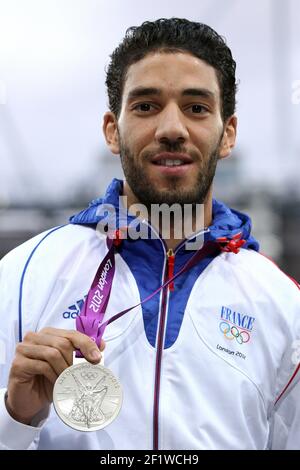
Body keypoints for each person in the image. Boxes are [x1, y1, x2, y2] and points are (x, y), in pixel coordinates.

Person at [0, 17, 299, 451]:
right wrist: (16, 418)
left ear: (227, 134)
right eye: (146, 106)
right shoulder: (22, 276)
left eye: (196, 107)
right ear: (112, 130)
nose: (172, 129)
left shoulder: (283, 304)